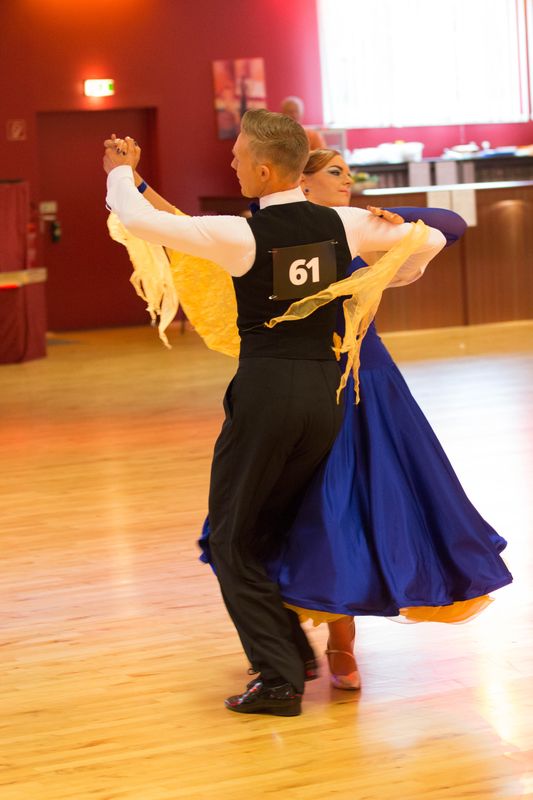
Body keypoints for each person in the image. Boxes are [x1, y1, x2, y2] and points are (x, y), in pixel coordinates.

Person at [103, 110, 447, 716]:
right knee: (263, 530)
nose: (232, 163)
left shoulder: (241, 234)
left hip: (267, 397)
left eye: (238, 156)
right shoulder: (344, 224)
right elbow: (433, 239)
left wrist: (119, 172)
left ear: (264, 170)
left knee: (231, 540)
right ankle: (291, 654)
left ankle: (280, 680)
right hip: (325, 398)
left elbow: (137, 219)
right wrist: (383, 273)